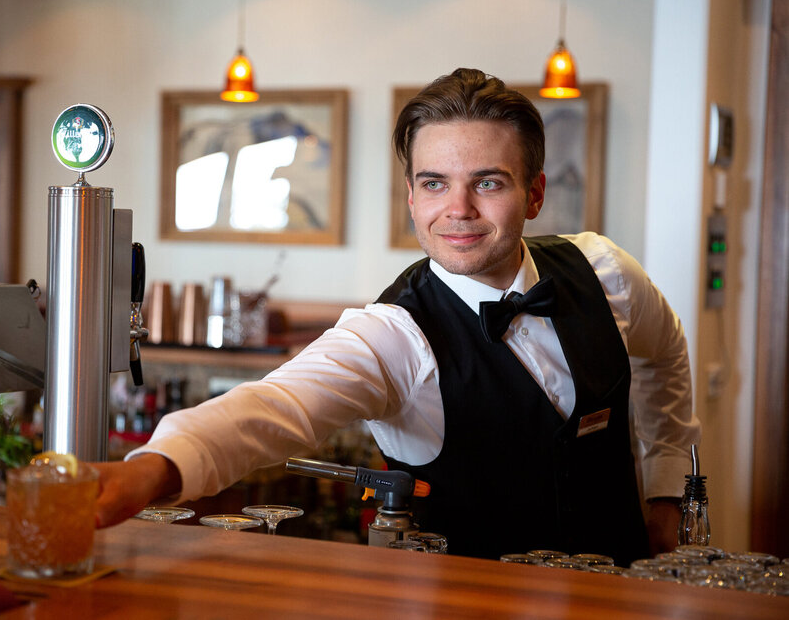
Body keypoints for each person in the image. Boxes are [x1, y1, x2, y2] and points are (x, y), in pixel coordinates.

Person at [92, 68, 699, 564]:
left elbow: (667, 352)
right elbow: (275, 406)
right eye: (434, 184)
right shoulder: (393, 334)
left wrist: (666, 490)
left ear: (535, 193)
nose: (456, 210)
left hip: (624, 592)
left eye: (487, 182)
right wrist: (153, 468)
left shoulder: (603, 271)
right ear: (411, 196)